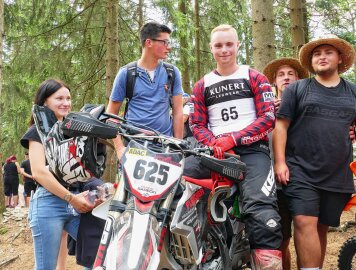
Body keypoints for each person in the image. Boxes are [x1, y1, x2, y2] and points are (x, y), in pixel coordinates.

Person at [273, 35, 356, 270]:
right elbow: (281, 126)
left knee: (320, 226)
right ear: (311, 62)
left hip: (338, 172)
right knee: (303, 221)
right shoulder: (298, 89)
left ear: (340, 58)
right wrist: (281, 162)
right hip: (300, 169)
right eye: (317, 54)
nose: (322, 57)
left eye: (328, 52)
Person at [188, 24, 282, 269]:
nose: (224, 50)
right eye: (218, 45)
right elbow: (196, 123)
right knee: (178, 179)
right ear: (211, 48)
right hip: (213, 152)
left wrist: (234, 139)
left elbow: (268, 118)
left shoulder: (255, 77)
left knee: (263, 212)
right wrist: (214, 143)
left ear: (238, 45)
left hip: (252, 151)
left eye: (229, 44)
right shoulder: (201, 85)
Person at [20, 79, 94, 270]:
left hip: (77, 202)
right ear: (45, 102)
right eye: (59, 98)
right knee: (46, 267)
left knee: (99, 255)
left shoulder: (74, 132)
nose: (66, 103)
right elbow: (38, 172)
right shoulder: (37, 131)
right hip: (48, 204)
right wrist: (70, 198)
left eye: (68, 98)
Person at [107, 21, 183, 159]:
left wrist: (178, 146)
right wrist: (119, 148)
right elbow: (111, 115)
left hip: (165, 148)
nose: (169, 47)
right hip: (133, 146)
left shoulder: (172, 72)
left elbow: (178, 110)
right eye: (165, 42)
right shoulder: (126, 73)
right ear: (149, 42)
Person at [263, 57, 309, 270]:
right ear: (274, 82)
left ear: (298, 78)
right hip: (274, 182)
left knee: (305, 234)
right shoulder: (264, 110)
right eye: (281, 75)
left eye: (291, 74)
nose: (286, 78)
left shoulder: (308, 106)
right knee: (281, 239)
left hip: (303, 178)